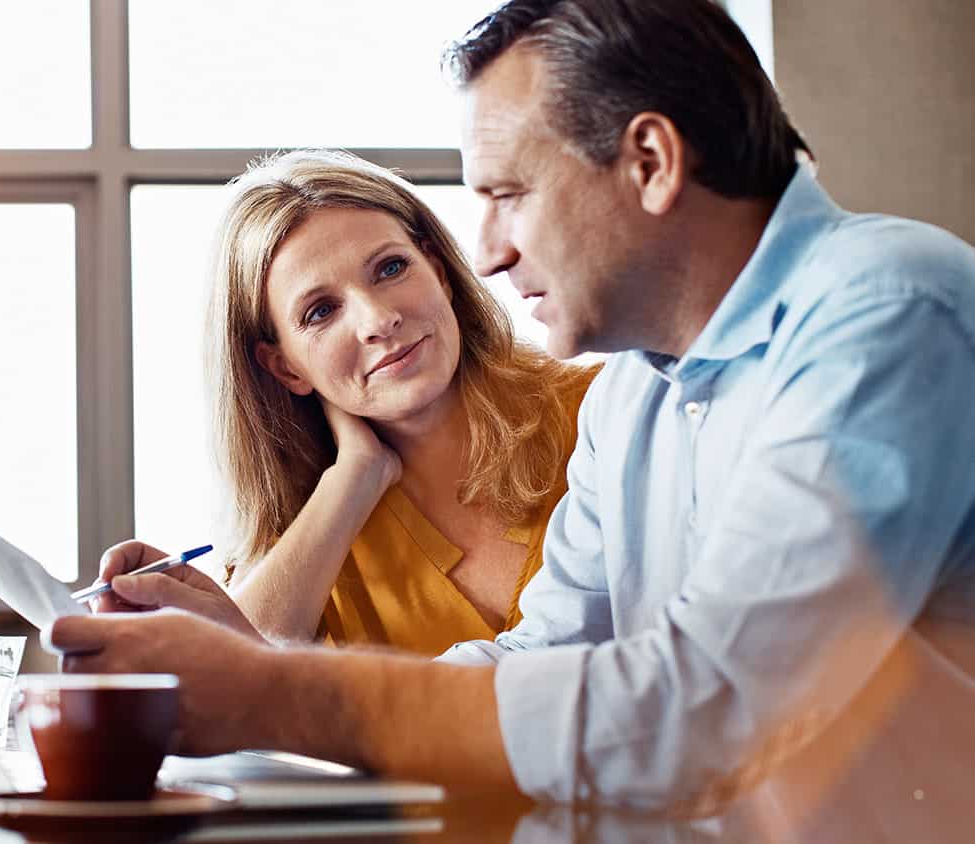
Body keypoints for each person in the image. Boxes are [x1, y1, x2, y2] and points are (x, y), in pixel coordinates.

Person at [51, 0, 975, 816]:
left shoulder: (885, 311)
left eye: (506, 195)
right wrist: (262, 668)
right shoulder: (638, 393)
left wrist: (273, 693)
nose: (483, 253)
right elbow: (542, 657)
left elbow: (710, 707)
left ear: (649, 161)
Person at [96, 150, 597, 657]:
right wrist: (352, 479)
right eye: (320, 312)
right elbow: (247, 690)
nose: (378, 320)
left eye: (391, 268)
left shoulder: (606, 411)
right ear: (284, 367)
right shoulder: (307, 541)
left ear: (440, 273)